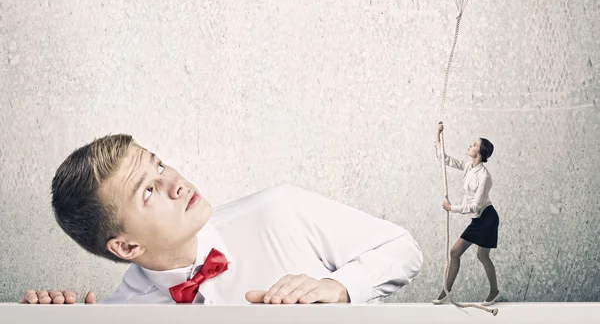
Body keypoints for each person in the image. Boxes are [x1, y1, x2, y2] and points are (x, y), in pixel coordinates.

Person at [19, 133, 423, 305]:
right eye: (147, 190)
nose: (174, 182)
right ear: (126, 247)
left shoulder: (279, 211)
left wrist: (339, 287)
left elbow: (402, 249)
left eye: (158, 166)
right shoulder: (120, 312)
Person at [432, 122, 500, 307]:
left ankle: (494, 291)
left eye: (475, 144)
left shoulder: (484, 177)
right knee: (456, 252)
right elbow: (444, 159)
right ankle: (447, 290)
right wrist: (437, 135)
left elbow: (476, 206)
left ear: (480, 153)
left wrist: (451, 207)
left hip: (487, 218)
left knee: (482, 256)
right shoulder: (469, 166)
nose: (471, 145)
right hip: (479, 219)